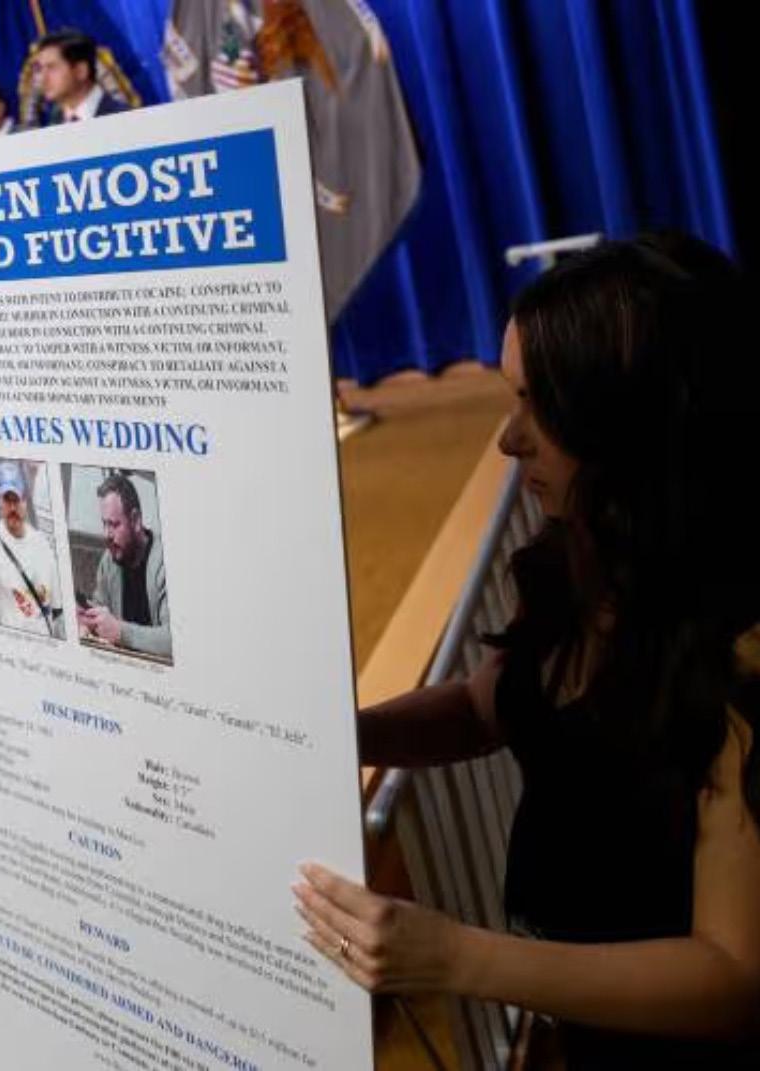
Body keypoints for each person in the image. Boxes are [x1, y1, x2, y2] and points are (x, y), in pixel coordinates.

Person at [293, 235, 760, 1068]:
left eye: (539, 406)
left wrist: (455, 956)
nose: (508, 438)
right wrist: (346, 734)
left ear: (635, 424)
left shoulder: (737, 653)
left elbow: (731, 975)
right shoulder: (580, 555)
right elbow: (488, 706)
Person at [78, 472, 170, 658]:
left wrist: (121, 633)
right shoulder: (109, 560)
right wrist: (87, 617)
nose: (107, 534)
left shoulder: (164, 562)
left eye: (114, 524)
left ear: (135, 520)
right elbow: (101, 606)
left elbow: (172, 640)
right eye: (104, 524)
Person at [0, 461, 62, 638]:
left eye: (16, 499)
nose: (12, 508)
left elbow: (56, 606)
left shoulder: (41, 543)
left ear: (25, 500)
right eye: (6, 500)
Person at [34, 29, 131, 125]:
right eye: (39, 69)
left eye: (52, 68)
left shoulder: (124, 120)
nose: (42, 79)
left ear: (81, 71)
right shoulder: (53, 124)